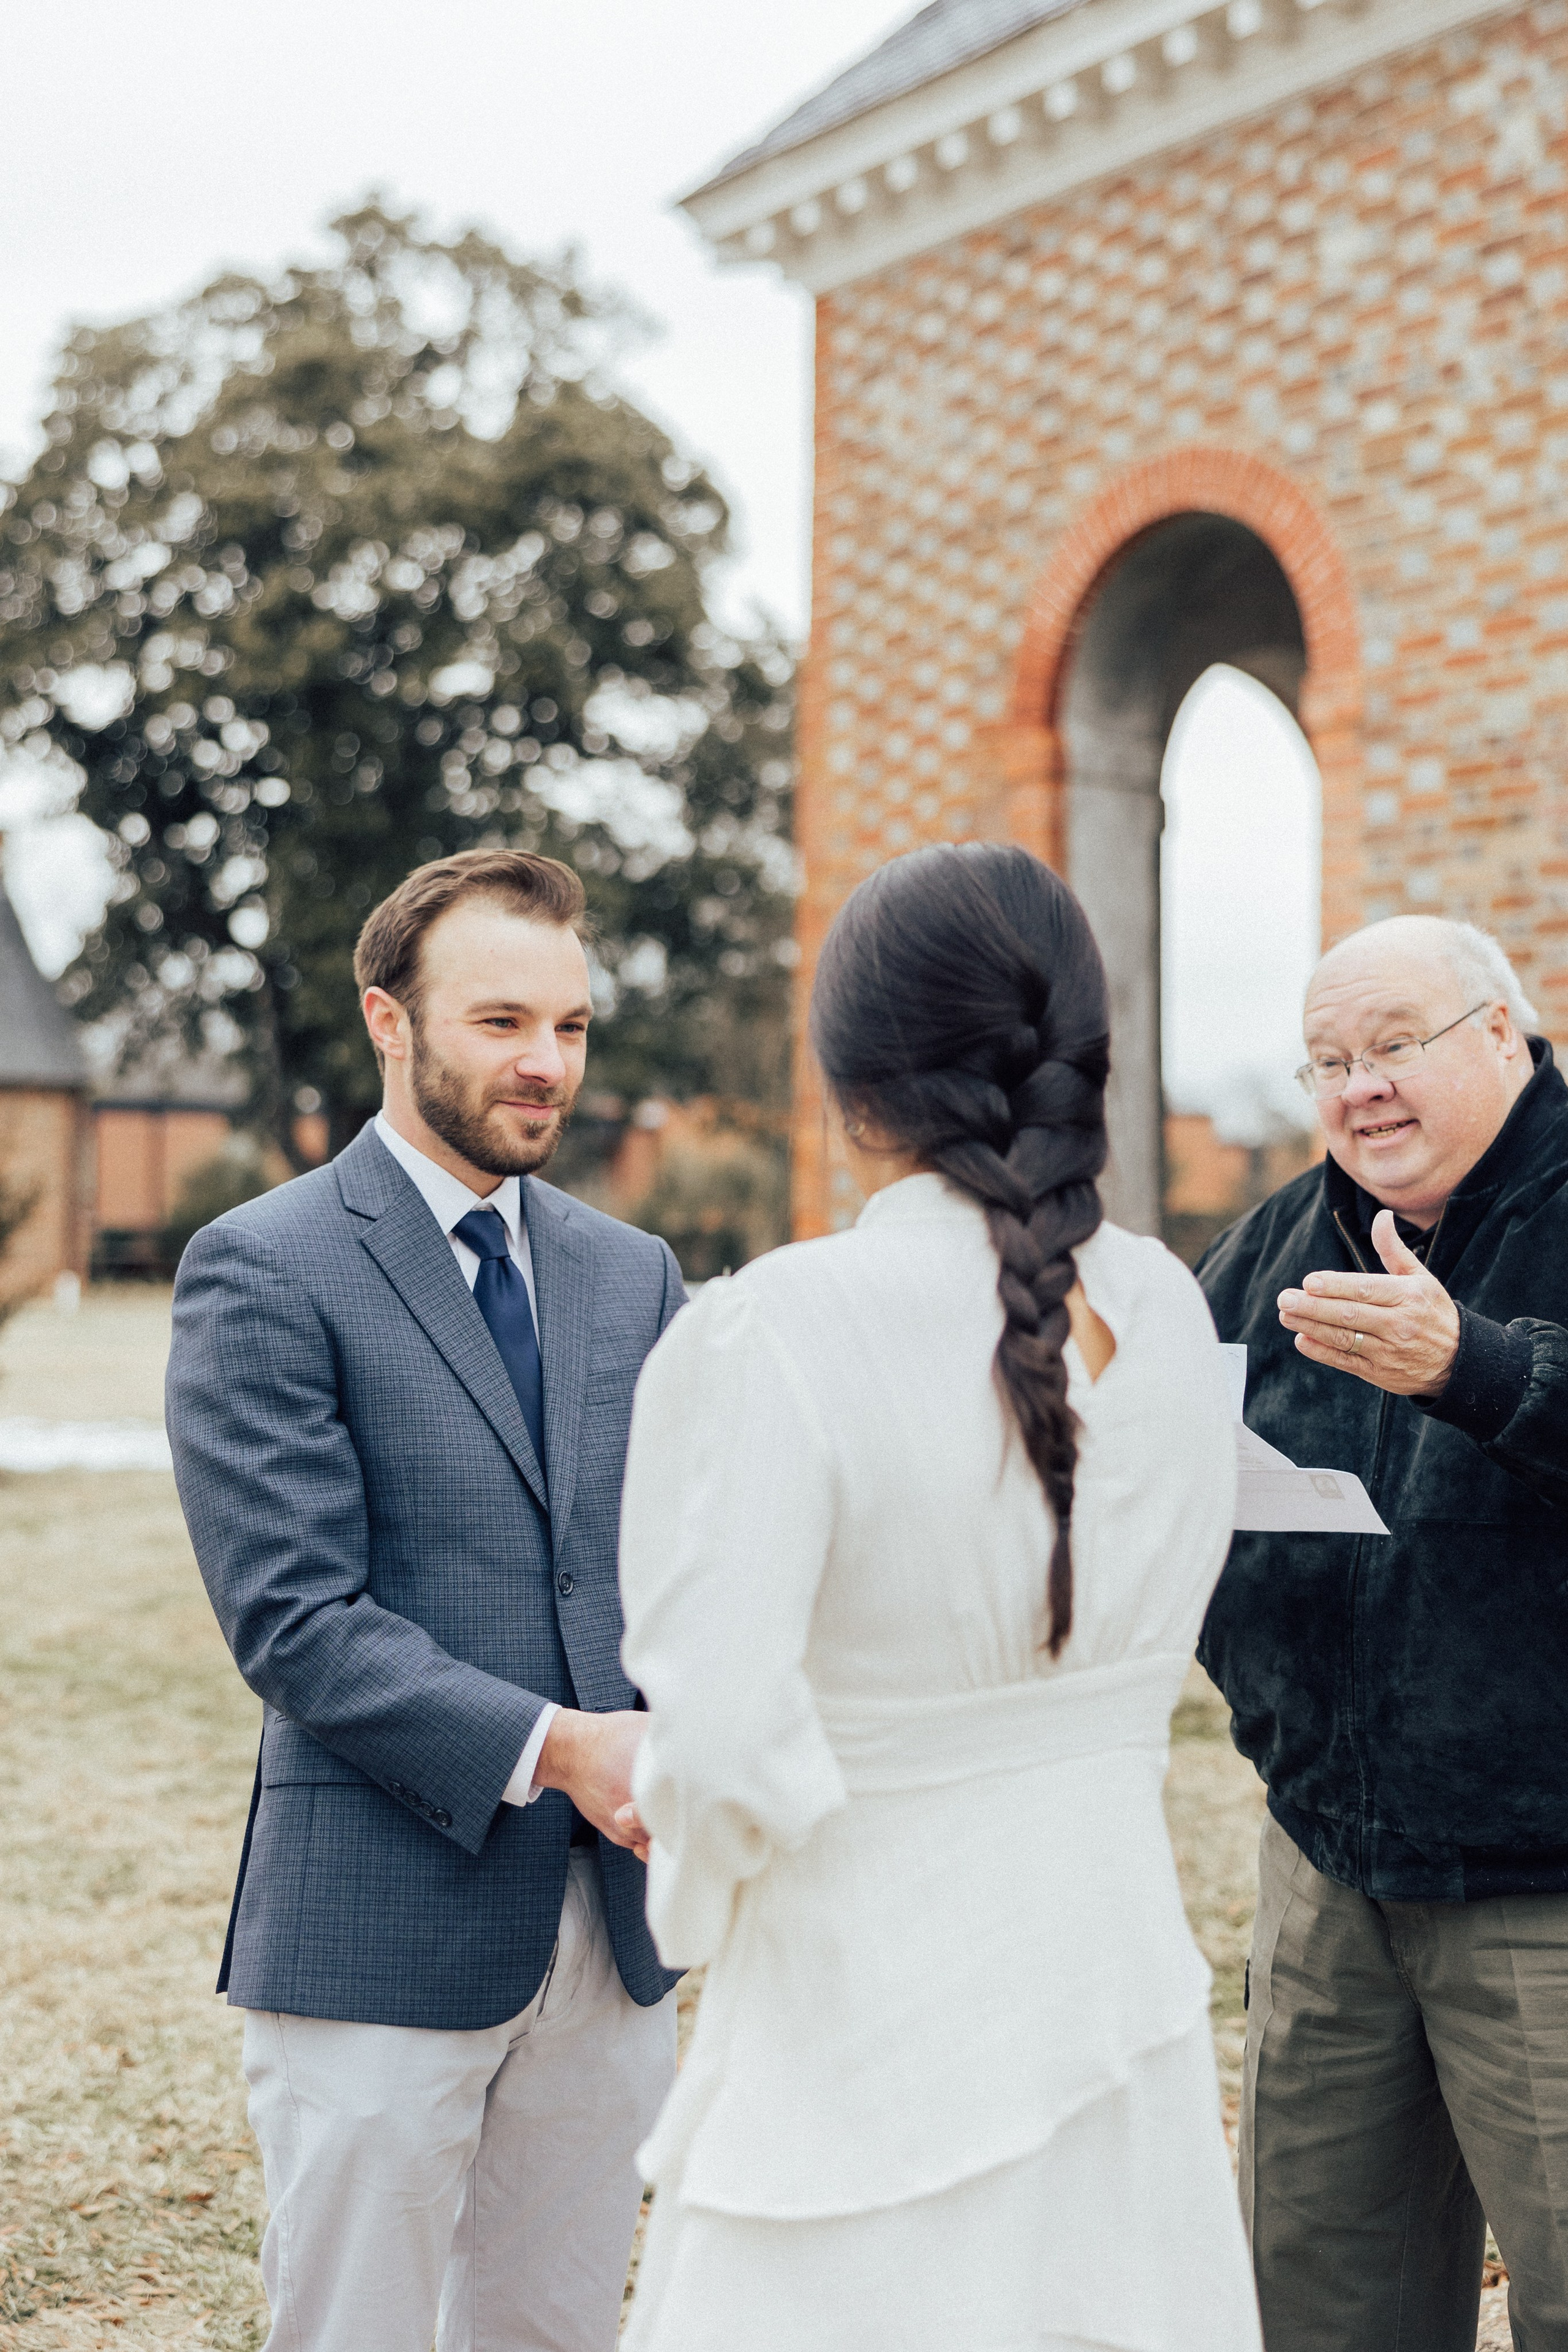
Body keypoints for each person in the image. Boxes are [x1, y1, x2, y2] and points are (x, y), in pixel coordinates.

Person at [612, 842, 1262, 2352]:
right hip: (1114, 2006)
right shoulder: (1167, 1309)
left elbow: (716, 1748)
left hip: (859, 2033)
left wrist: (691, 1873)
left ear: (849, 1083)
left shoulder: (774, 1328)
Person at [165, 849, 682, 2352]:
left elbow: (688, 1563)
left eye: (569, 1027)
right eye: (501, 1022)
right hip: (378, 1923)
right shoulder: (263, 1266)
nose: (546, 1065)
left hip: (613, 1933)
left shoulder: (634, 1275)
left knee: (555, 2333)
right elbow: (294, 1620)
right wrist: (566, 1749)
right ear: (387, 1022)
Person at [1197, 914, 1568, 2352]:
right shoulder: (1270, 1247)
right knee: (1318, 2306)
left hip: (1541, 1892)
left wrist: (1478, 1369)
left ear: (1502, 1035)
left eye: (1392, 1046)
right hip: (1323, 1873)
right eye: (1328, 1062)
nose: (1358, 1089)